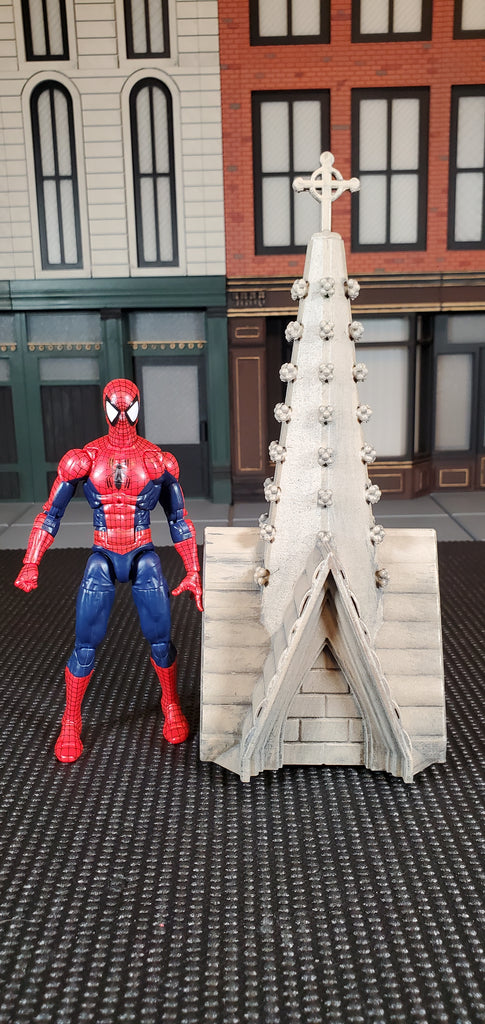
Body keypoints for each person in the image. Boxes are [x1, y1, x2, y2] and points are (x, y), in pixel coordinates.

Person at [14, 378, 202, 764]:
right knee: (85, 642)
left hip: (142, 552)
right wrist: (31, 561)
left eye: (129, 408)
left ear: (139, 407)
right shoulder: (84, 459)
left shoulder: (157, 460)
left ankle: (170, 703)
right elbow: (50, 513)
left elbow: (179, 518)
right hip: (102, 555)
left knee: (161, 638)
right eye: (116, 409)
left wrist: (193, 570)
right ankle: (71, 719)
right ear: (105, 407)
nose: (122, 417)